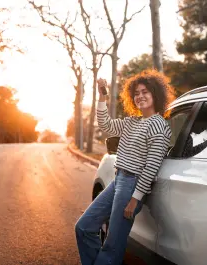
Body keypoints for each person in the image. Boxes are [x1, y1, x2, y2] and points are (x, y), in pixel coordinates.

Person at [74, 69, 175, 265]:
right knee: (84, 227)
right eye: (136, 93)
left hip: (132, 185)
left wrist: (135, 199)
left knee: (113, 245)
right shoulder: (132, 121)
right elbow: (106, 125)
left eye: (145, 92)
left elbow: (151, 166)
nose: (140, 96)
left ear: (155, 94)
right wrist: (102, 97)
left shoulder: (159, 126)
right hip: (118, 180)